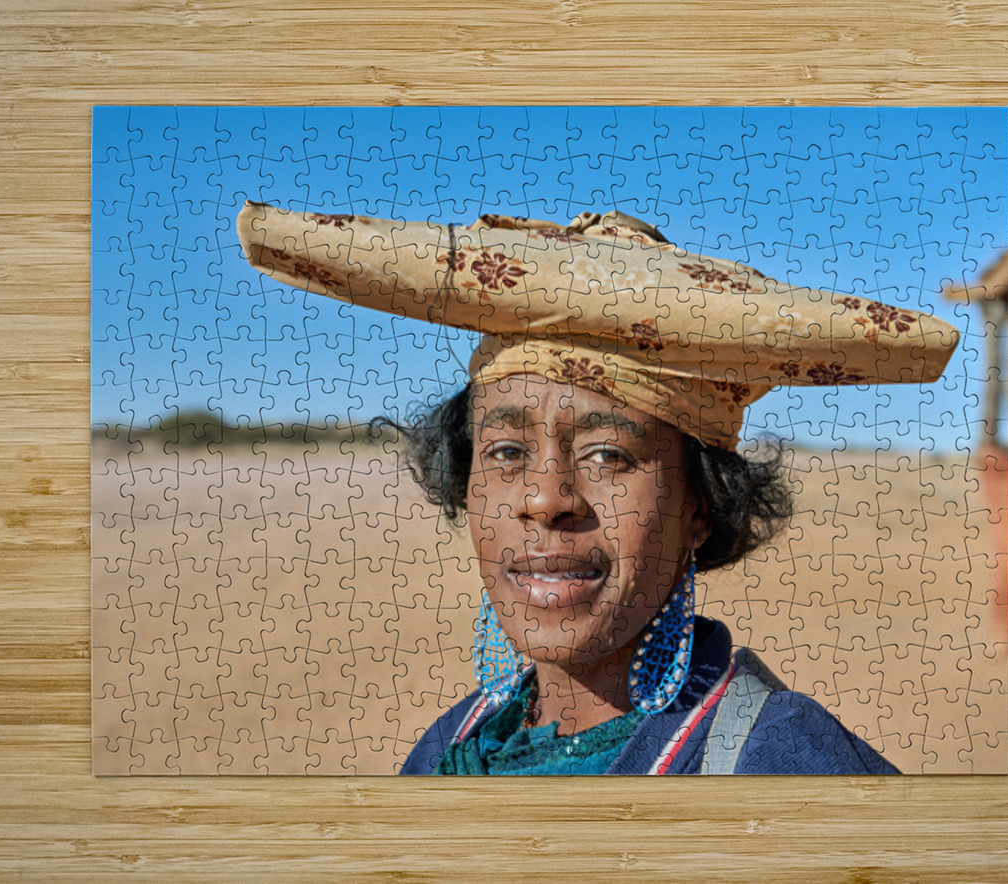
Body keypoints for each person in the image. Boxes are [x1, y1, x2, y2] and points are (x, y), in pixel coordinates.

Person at [238, 202, 960, 775]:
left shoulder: (781, 762)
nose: (546, 499)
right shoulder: (447, 751)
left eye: (608, 454)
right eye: (507, 451)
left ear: (699, 507)